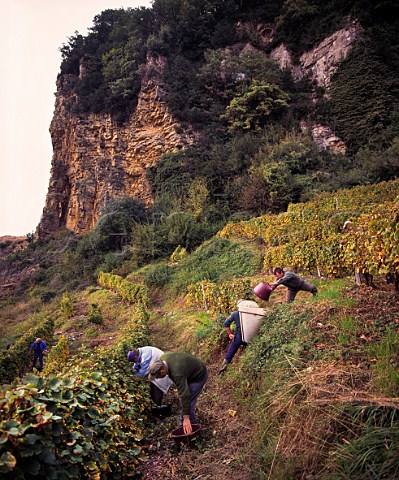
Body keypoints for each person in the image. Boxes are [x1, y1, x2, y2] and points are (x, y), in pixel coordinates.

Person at [148, 352, 208, 435]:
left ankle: (192, 429)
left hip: (199, 375)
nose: (158, 378)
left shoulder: (177, 374)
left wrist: (186, 417)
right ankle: (182, 426)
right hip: (189, 371)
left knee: (189, 401)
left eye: (157, 377)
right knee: (184, 401)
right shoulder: (163, 358)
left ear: (162, 371)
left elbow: (185, 395)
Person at [218, 300, 247, 376]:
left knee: (230, 354)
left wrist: (230, 334)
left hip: (238, 337)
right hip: (250, 337)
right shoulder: (252, 314)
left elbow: (226, 323)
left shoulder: (235, 314)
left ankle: (222, 372)